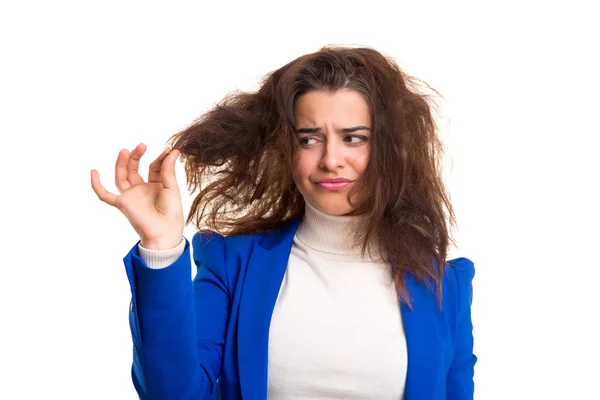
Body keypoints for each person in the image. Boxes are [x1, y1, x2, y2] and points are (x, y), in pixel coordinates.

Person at [90, 45, 476, 400]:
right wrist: (160, 246)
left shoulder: (446, 286)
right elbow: (172, 394)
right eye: (309, 139)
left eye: (353, 138)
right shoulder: (232, 265)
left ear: (392, 149)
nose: (330, 160)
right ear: (286, 149)